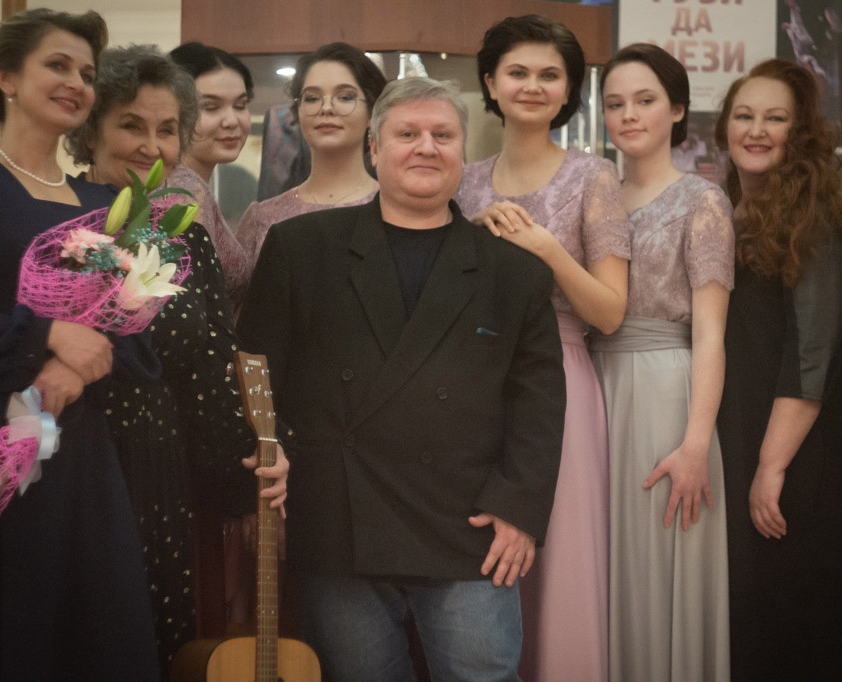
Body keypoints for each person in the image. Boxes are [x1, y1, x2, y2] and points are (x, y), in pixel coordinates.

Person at [237, 77, 566, 681]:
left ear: (463, 151)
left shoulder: (514, 271)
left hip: (472, 524)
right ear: (374, 147)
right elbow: (255, 371)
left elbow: (538, 405)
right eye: (407, 133)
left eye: (443, 135)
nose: (426, 147)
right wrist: (268, 450)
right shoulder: (301, 248)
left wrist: (518, 508)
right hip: (338, 517)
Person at [65, 44, 289, 674]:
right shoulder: (58, 220)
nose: (151, 146)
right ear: (90, 127)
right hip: (75, 458)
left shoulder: (184, 233)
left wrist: (249, 478)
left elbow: (215, 365)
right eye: (131, 125)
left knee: (151, 640)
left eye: (167, 130)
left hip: (162, 468)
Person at [0, 10, 160, 679]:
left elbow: (135, 331)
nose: (77, 83)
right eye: (57, 65)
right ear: (6, 77)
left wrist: (78, 367)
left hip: (78, 446)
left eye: (87, 74)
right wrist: (47, 335)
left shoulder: (107, 203)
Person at [455, 15, 629, 681]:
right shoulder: (464, 181)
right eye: (518, 72)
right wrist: (472, 234)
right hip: (472, 383)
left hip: (561, 376)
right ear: (490, 83)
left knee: (560, 564)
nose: (533, 85)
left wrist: (546, 248)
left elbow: (609, 311)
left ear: (569, 91)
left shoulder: (595, 177)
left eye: (550, 75)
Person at [590, 43, 733, 681]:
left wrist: (696, 443)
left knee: (656, 560)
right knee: (600, 564)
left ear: (677, 110)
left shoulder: (703, 200)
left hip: (664, 394)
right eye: (615, 103)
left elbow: (710, 335)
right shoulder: (594, 193)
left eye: (645, 100)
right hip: (591, 386)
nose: (628, 115)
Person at [713, 58, 842, 680]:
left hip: (797, 451)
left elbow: (812, 355)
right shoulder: (729, 210)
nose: (756, 130)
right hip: (743, 431)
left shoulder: (813, 223)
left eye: (774, 118)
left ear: (798, 134)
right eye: (744, 115)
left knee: (790, 612)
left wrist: (771, 467)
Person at [238, 42, 386, 267]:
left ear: (372, 113)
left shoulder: (393, 208)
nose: (326, 108)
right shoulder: (263, 217)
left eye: (345, 97)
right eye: (312, 98)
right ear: (298, 112)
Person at [168, 42, 254, 311]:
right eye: (211, 107)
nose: (232, 121)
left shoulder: (191, 183)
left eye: (240, 105)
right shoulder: (184, 189)